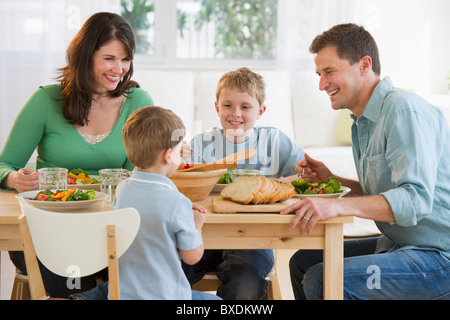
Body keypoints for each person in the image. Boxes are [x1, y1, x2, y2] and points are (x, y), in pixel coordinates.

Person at [282, 23, 450, 300]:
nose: (321, 84)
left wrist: (337, 206)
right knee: (302, 263)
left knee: (323, 280)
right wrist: (331, 180)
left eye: (329, 72)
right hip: (400, 243)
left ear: (364, 65)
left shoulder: (402, 110)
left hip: (438, 257)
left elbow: (415, 200)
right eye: (319, 74)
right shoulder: (362, 121)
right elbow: (383, 194)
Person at [0, 12, 154, 298]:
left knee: (143, 276)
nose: (119, 69)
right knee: (75, 280)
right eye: (109, 58)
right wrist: (14, 179)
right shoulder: (46, 100)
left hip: (110, 232)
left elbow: (142, 175)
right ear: (85, 56)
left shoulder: (138, 102)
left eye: (125, 59)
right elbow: (4, 164)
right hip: (49, 231)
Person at [71, 106, 221, 300]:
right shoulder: (178, 203)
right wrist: (196, 225)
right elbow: (192, 257)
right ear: (169, 155)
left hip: (123, 295)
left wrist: (181, 209)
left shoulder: (122, 189)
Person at [183, 67, 306, 300]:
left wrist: (293, 176)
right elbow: (181, 179)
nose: (235, 113)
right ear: (217, 107)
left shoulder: (274, 140)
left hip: (253, 240)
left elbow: (302, 175)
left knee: (245, 283)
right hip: (202, 236)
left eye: (245, 107)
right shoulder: (201, 144)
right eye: (227, 105)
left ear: (261, 111)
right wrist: (176, 159)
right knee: (167, 270)